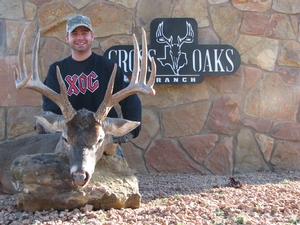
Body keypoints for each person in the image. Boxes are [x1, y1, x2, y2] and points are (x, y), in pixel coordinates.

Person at [42, 14, 142, 157]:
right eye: (74, 33)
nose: (80, 37)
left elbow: (130, 98)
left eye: (84, 33)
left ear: (92, 36)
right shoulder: (57, 70)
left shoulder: (109, 67)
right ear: (67, 38)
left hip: (101, 137)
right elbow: (50, 108)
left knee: (118, 176)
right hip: (72, 140)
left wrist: (130, 131)